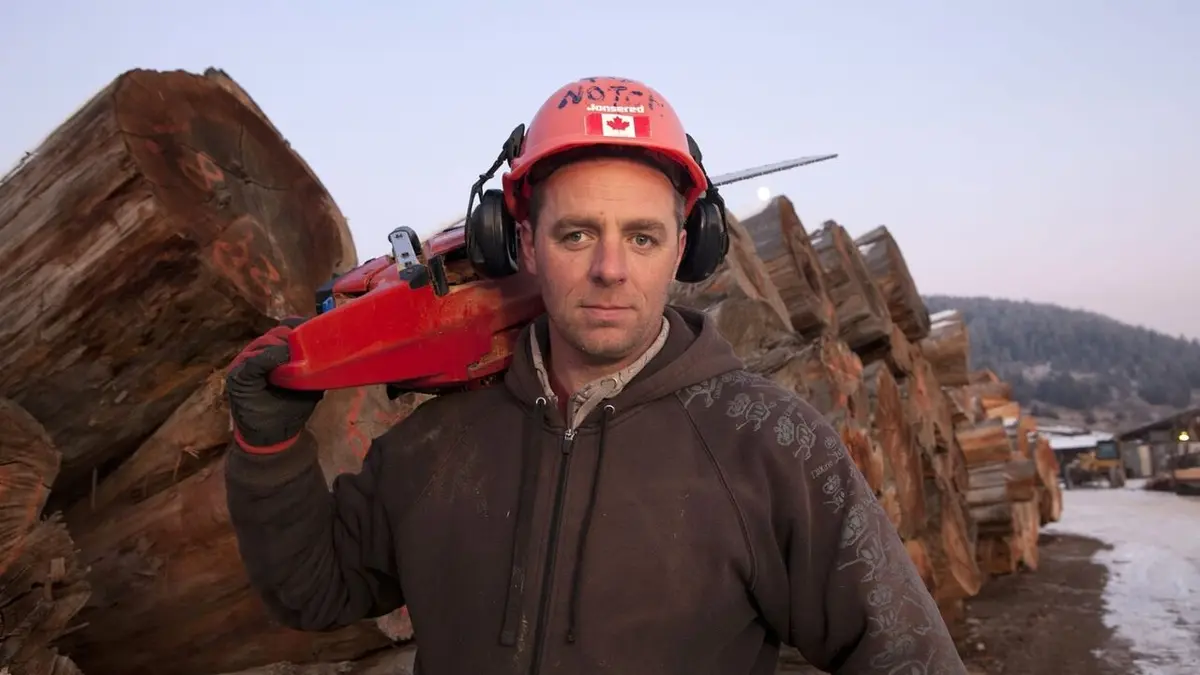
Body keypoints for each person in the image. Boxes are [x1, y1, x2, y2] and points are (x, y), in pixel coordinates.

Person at [223, 76, 967, 675]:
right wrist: (267, 449)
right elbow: (313, 588)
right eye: (577, 234)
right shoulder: (436, 443)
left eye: (642, 237)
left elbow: (908, 655)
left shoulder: (771, 446)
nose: (610, 269)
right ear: (524, 244)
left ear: (685, 248)